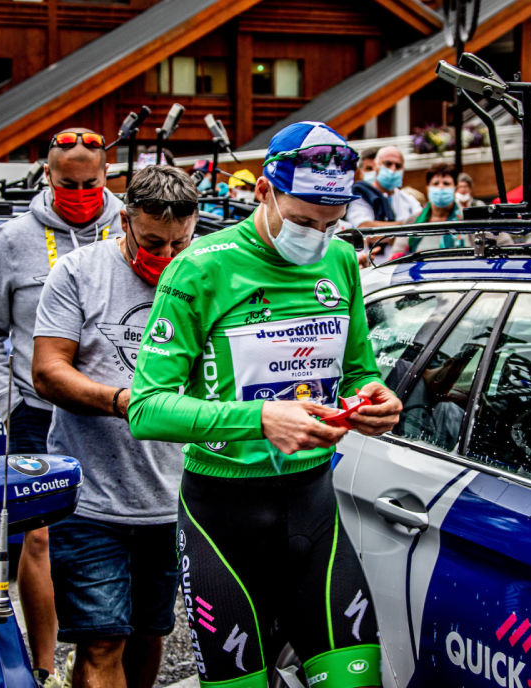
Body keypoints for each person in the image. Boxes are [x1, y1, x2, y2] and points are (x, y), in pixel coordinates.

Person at [128, 121, 403, 688]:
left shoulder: (340, 260)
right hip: (221, 515)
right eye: (302, 221)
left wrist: (375, 399)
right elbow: (147, 408)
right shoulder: (200, 267)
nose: (317, 238)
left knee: (356, 682)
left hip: (313, 504)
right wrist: (260, 418)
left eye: (331, 223)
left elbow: (358, 371)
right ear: (263, 192)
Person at [31, 165, 197, 688]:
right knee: (103, 640)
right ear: (125, 221)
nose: (166, 255)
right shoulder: (79, 271)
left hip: (172, 498)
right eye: (153, 242)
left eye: (179, 243)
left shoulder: (204, 272)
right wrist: (125, 402)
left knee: (150, 633)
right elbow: (47, 371)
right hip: (91, 499)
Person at [0, 127, 122, 688]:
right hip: (36, 408)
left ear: (106, 175)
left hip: (111, 408)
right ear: (46, 176)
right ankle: (43, 664)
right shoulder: (13, 239)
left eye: (89, 183)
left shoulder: (130, 228)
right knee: (39, 534)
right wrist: (5, 402)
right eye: (67, 184)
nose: (79, 193)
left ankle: (102, 650)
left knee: (112, 528)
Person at [347, 145, 422, 262]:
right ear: (376, 166)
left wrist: (387, 233)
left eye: (398, 166)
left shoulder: (410, 201)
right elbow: (365, 230)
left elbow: (420, 228)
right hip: (370, 265)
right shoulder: (360, 195)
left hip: (404, 265)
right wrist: (406, 225)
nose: (393, 169)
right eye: (388, 164)